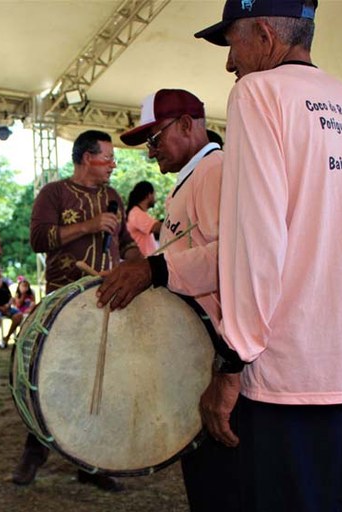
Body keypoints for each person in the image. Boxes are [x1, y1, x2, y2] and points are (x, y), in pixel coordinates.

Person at [194, 1, 342, 510]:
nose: (229, 62)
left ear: (265, 35)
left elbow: (257, 240)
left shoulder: (257, 93)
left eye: (233, 43)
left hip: (298, 377)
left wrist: (233, 359)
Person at [96, 89, 238, 511]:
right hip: (199, 353)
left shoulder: (216, 171)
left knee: (224, 486)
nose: (151, 152)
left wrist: (153, 270)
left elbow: (235, 259)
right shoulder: (192, 177)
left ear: (187, 125)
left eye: (155, 140)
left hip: (223, 356)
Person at [11, 129, 140, 491]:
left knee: (100, 380)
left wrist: (139, 266)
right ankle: (34, 452)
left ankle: (91, 462)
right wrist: (89, 225)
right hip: (61, 303)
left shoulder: (113, 197)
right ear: (87, 158)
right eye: (108, 158)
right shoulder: (54, 193)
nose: (113, 165)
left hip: (104, 303)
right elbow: (39, 239)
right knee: (50, 377)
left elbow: (126, 242)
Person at [125, 181, 162, 256]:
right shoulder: (136, 213)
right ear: (149, 195)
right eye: (154, 194)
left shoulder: (137, 212)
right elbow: (157, 228)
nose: (155, 198)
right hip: (142, 263)